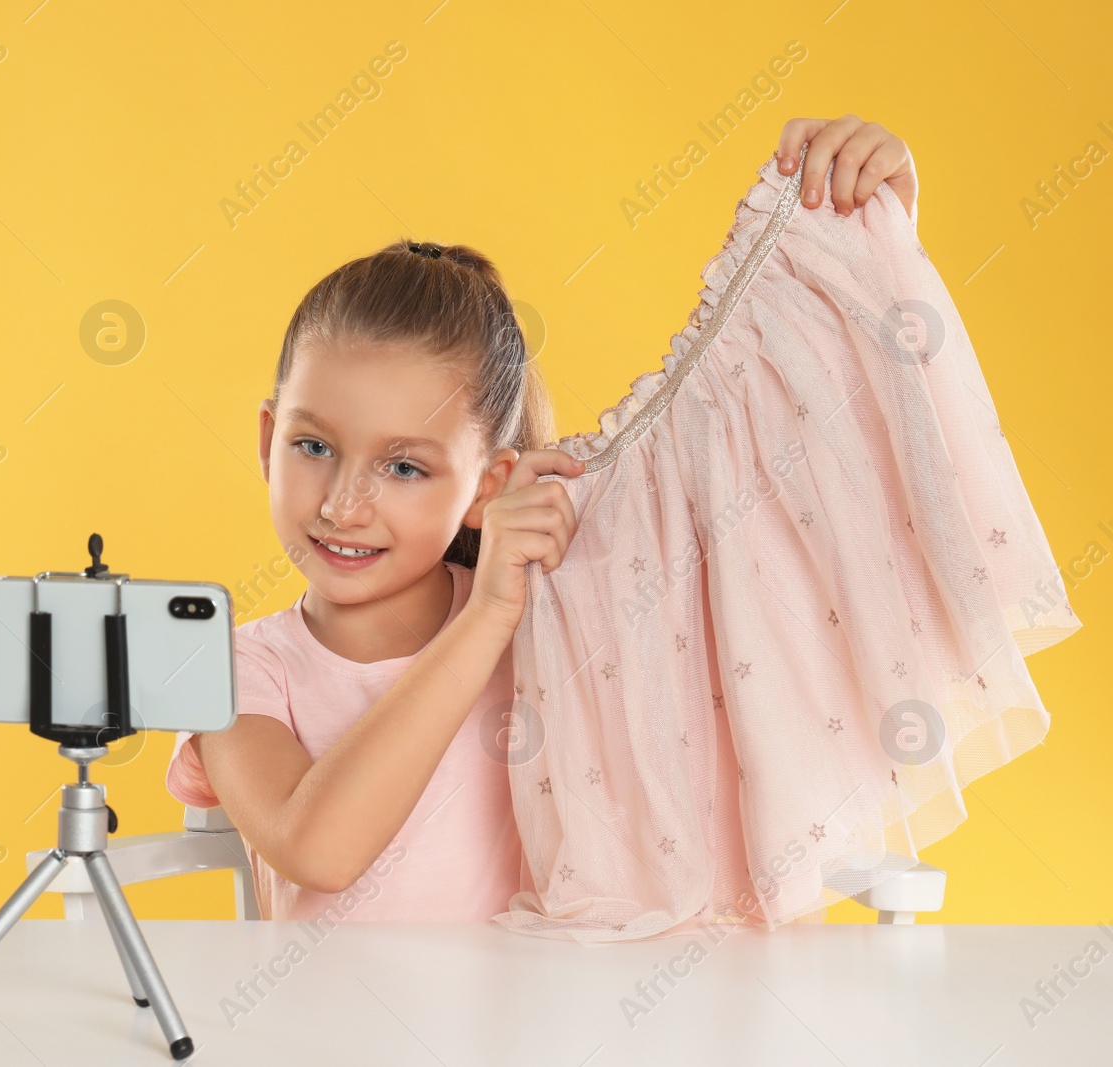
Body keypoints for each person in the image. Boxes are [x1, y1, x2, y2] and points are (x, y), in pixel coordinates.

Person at [166, 117, 1080, 936]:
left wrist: (868, 239)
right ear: (264, 438)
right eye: (313, 445)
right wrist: (484, 619)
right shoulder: (232, 666)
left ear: (489, 488)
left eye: (405, 466)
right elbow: (314, 846)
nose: (344, 503)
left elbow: (799, 564)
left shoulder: (563, 608)